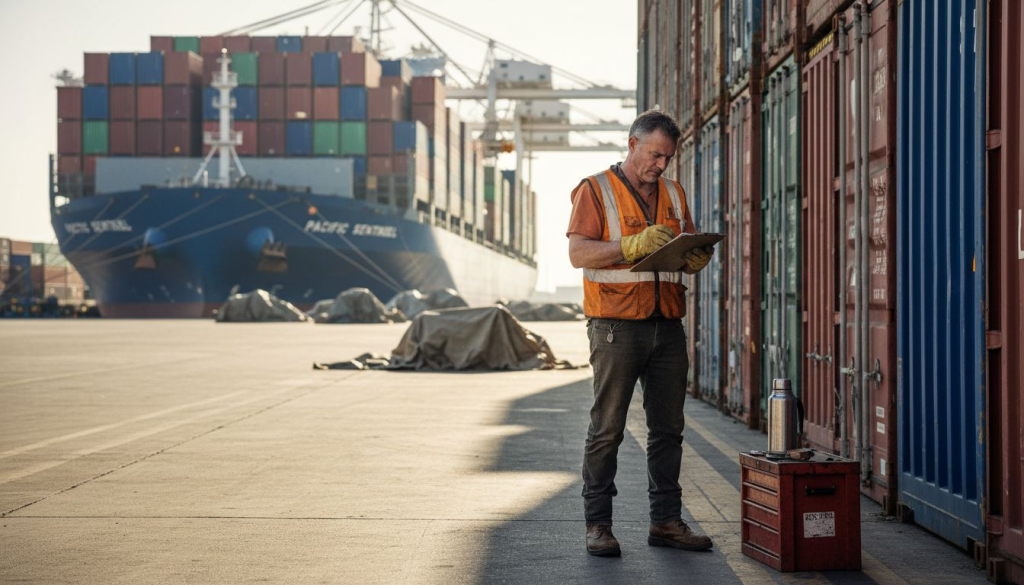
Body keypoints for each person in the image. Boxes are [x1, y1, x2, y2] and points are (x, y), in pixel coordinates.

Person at [566, 109, 715, 557]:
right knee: (607, 428)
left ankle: (666, 522)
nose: (661, 165)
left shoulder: (673, 191)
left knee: (668, 430)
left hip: (667, 327)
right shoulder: (594, 190)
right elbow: (578, 253)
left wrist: (694, 254)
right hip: (615, 328)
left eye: (668, 158)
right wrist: (628, 246)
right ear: (632, 145)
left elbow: (684, 239)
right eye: (654, 155)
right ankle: (598, 526)